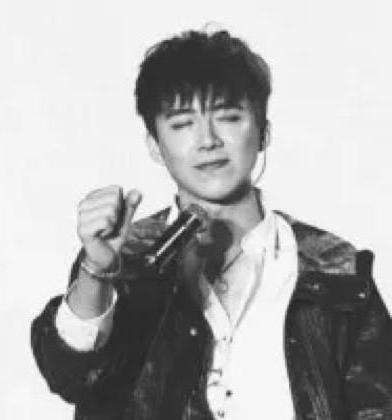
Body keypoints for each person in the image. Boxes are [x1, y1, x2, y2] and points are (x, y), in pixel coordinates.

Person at [31, 28, 392, 420]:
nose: (207, 140)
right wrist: (97, 271)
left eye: (229, 117)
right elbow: (70, 377)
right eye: (182, 124)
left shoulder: (337, 267)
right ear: (154, 145)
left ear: (263, 132)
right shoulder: (126, 255)